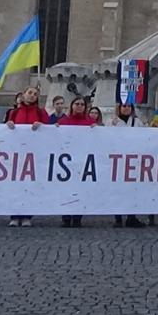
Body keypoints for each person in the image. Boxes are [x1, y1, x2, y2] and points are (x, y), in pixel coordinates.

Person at [5, 86, 47, 227]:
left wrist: (42, 125)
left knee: (31, 186)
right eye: (29, 93)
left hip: (35, 154)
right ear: (23, 95)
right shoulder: (14, 112)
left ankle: (27, 216)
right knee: (15, 185)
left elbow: (50, 130)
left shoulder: (41, 112)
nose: (32, 96)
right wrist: (9, 125)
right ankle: (14, 215)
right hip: (16, 154)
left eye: (35, 94)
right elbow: (4, 130)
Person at [56, 97, 97, 227]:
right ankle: (66, 216)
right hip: (67, 161)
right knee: (66, 189)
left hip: (83, 160)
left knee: (81, 189)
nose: (79, 106)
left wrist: (97, 130)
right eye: (77, 104)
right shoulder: (63, 121)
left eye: (82, 104)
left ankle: (78, 216)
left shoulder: (90, 122)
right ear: (72, 106)